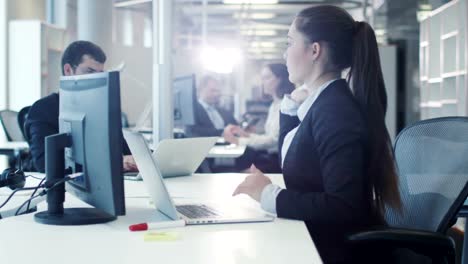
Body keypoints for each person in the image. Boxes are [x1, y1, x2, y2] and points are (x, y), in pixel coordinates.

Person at [232, 5, 401, 263]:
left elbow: (343, 206)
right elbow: (293, 158)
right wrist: (290, 107)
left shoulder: (335, 112)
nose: (285, 53)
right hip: (314, 237)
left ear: (314, 50)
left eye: (289, 43)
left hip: (332, 249)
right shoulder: (324, 103)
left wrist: (268, 195)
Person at [25, 40, 137, 173]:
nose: (97, 79)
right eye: (90, 72)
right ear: (68, 70)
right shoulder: (43, 109)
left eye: (100, 74)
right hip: (62, 189)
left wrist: (147, 158)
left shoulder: (102, 110)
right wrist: (112, 163)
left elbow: (125, 151)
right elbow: (46, 165)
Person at [223, 63, 295, 173]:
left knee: (237, 173)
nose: (263, 82)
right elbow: (269, 136)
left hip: (278, 161)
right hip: (271, 156)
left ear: (280, 79)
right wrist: (246, 134)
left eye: (267, 78)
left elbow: (274, 141)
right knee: (242, 161)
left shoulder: (286, 104)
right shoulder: (274, 104)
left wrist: (239, 140)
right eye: (262, 78)